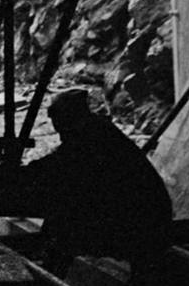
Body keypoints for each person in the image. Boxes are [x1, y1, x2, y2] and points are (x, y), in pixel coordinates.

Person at [30, 88, 176, 276]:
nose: (59, 132)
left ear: (68, 118)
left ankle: (49, 281)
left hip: (142, 221)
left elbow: (61, 164)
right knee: (62, 216)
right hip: (145, 214)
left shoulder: (90, 134)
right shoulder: (95, 129)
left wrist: (27, 173)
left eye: (59, 123)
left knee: (64, 222)